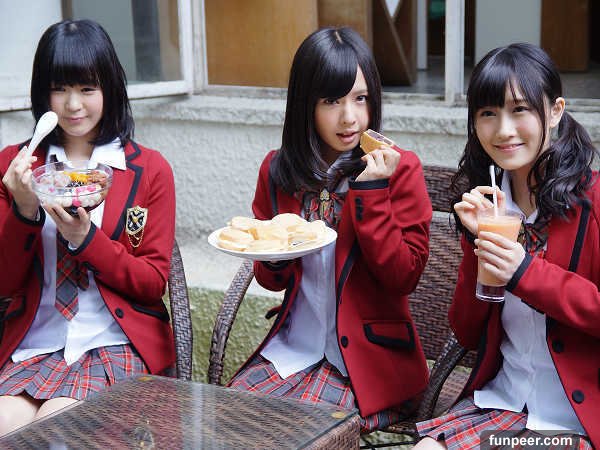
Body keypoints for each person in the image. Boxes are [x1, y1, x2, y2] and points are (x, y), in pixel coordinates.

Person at [227, 27, 432, 432]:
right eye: (331, 101)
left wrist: (371, 192)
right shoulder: (278, 170)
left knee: (298, 434)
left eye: (360, 98)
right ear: (305, 104)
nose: (349, 117)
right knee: (228, 419)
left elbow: (403, 276)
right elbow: (270, 280)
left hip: (368, 365)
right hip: (293, 349)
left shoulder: (399, 168)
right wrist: (272, 253)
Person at [414, 43, 598, 449]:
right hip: (504, 402)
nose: (503, 130)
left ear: (555, 111)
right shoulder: (491, 205)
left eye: (519, 110)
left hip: (577, 418)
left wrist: (525, 272)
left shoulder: (594, 203)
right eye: (488, 113)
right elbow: (467, 331)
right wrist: (477, 246)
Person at [0, 19, 175, 435]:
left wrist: (86, 240)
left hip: (114, 342)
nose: (73, 104)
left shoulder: (149, 170)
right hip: (35, 345)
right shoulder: (15, 167)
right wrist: (24, 210)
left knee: (53, 431)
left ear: (109, 89)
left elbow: (152, 282)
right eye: (59, 88)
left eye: (87, 88)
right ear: (42, 93)